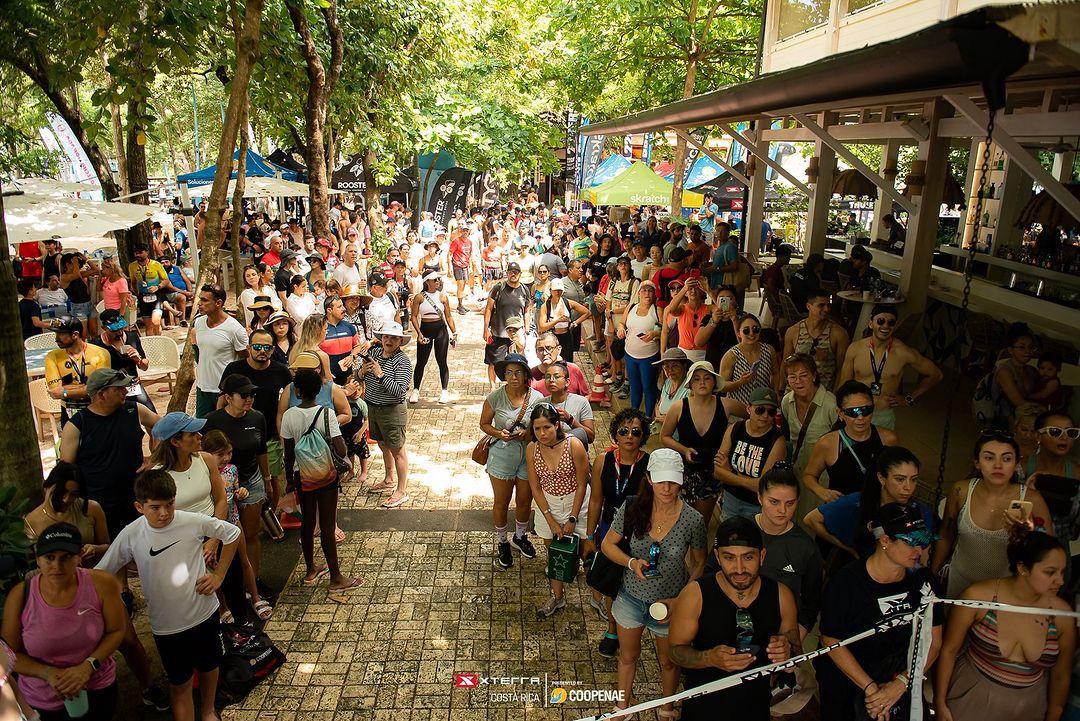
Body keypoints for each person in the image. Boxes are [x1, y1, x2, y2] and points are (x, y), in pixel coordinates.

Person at [96, 470, 240, 721]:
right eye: (155, 507)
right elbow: (101, 572)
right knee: (180, 682)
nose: (164, 513)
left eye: (169, 504)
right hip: (166, 627)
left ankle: (208, 710)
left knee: (209, 667)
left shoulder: (192, 520)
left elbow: (233, 534)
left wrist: (218, 576)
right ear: (139, 507)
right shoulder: (131, 533)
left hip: (204, 614)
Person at [601, 449, 707, 718]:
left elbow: (699, 563)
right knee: (627, 656)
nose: (667, 488)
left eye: (673, 481)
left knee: (668, 661)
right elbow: (608, 544)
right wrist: (631, 563)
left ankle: (667, 706)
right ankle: (622, 705)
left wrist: (681, 601)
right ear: (649, 479)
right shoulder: (632, 508)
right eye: (661, 480)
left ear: (681, 481)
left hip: (670, 603)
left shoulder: (693, 520)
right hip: (631, 597)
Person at [816, 502, 943, 721]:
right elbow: (831, 640)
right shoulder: (845, 584)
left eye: (924, 543)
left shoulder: (924, 582)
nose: (919, 551)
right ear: (885, 540)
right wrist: (873, 691)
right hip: (849, 683)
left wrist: (901, 684)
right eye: (912, 542)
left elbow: (933, 641)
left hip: (899, 680)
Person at [668, 516, 798, 721]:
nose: (739, 569)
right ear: (718, 557)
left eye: (748, 557)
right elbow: (675, 652)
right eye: (729, 558)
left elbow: (796, 649)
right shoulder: (695, 595)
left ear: (762, 556)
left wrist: (787, 650)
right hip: (703, 709)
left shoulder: (781, 596)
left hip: (756, 707)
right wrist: (708, 658)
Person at [935, 531, 1075, 721]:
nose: (1060, 581)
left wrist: (1053, 715)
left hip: (1030, 707)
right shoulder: (978, 597)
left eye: (1062, 572)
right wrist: (940, 701)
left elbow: (1061, 676)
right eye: (1050, 572)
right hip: (971, 698)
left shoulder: (1062, 616)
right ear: (1023, 568)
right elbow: (949, 650)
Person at [2, 524, 125, 721]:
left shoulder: (102, 584)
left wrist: (87, 667)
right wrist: (48, 674)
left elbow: (116, 630)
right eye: (49, 558)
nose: (57, 566)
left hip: (97, 688)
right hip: (43, 699)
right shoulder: (20, 596)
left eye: (66, 557)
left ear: (79, 556)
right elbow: (8, 655)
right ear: (37, 559)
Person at [934, 430, 1053, 599]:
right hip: (959, 583)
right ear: (977, 462)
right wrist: (932, 577)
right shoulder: (961, 491)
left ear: (1016, 463)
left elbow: (1048, 552)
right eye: (989, 458)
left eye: (1007, 459)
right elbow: (946, 536)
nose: (998, 465)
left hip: (1005, 591)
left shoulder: (1032, 499)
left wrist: (1026, 534)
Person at [281, 368, 362, 592]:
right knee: (327, 525)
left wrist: (289, 480)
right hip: (326, 476)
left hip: (301, 476)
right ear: (319, 390)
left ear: (297, 391)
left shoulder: (289, 416)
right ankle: (336, 577)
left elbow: (288, 452)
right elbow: (341, 448)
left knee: (307, 523)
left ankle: (310, 569)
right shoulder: (327, 414)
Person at [585, 408, 651, 657]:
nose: (629, 436)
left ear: (643, 436)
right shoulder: (603, 461)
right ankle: (612, 630)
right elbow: (596, 501)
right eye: (623, 431)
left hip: (638, 531)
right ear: (615, 434)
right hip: (609, 528)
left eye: (636, 432)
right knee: (612, 580)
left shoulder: (649, 464)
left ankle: (634, 627)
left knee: (632, 579)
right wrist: (590, 536)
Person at [805, 446, 935, 562]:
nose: (908, 487)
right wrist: (848, 549)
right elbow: (811, 519)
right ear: (881, 478)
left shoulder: (921, 513)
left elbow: (923, 557)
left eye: (913, 480)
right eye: (900, 479)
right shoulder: (857, 502)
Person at [660, 360, 743, 532]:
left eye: (707, 378)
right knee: (681, 522)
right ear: (690, 384)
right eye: (697, 379)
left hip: (713, 472)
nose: (702, 383)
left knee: (700, 524)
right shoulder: (679, 407)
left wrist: (732, 446)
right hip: (686, 471)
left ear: (714, 382)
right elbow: (664, 436)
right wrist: (684, 450)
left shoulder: (726, 405)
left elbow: (753, 417)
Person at [525, 404, 591, 618]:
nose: (542, 433)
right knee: (555, 555)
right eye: (537, 429)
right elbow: (535, 487)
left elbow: (582, 484)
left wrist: (572, 517)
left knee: (587, 552)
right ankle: (557, 596)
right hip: (548, 503)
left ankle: (597, 597)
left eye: (547, 427)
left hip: (576, 502)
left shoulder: (574, 445)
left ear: (557, 425)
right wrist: (551, 520)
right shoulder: (532, 449)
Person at [480, 353, 545, 569]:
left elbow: (542, 426)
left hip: (528, 456)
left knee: (525, 500)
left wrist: (529, 433)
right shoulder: (495, 397)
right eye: (509, 372)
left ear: (526, 375)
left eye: (518, 372)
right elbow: (484, 424)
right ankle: (502, 541)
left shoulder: (537, 398)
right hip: (502, 456)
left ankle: (520, 536)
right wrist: (499, 433)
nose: (514, 377)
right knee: (501, 501)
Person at [204, 374, 271, 578]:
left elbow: (262, 450)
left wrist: (267, 479)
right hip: (221, 485)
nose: (249, 399)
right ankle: (230, 579)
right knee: (225, 535)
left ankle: (253, 579)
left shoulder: (257, 417)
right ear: (228, 398)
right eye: (243, 395)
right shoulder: (212, 420)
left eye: (252, 394)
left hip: (251, 481)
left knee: (251, 534)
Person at [801, 380, 899, 503]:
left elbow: (897, 473)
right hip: (842, 508)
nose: (860, 417)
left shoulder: (888, 439)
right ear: (840, 413)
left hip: (877, 506)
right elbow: (809, 475)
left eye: (866, 410)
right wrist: (822, 491)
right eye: (853, 412)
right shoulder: (827, 443)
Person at [359, 321, 413, 508]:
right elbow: (359, 377)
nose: (389, 341)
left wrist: (380, 375)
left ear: (400, 341)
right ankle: (389, 479)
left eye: (394, 338)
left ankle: (401, 490)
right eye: (386, 337)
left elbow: (399, 391)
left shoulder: (403, 361)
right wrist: (361, 372)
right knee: (383, 444)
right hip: (373, 408)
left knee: (398, 450)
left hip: (392, 410)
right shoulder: (374, 353)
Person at [714, 387, 787, 520]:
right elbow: (717, 471)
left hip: (757, 505)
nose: (765, 415)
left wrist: (731, 472)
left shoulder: (777, 441)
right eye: (760, 410)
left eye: (771, 412)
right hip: (730, 500)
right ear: (748, 408)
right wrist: (749, 482)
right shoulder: (735, 428)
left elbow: (763, 485)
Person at [191, 284, 248, 418]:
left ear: (218, 303)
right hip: (202, 389)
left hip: (224, 391)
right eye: (200, 299)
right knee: (203, 428)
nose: (199, 303)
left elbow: (245, 360)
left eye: (204, 300)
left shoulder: (235, 329)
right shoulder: (199, 323)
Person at [44, 316, 112, 425]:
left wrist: (65, 392)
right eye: (56, 334)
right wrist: (87, 388)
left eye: (61, 334)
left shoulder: (101, 353)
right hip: (68, 413)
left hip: (97, 409)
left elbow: (100, 388)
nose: (56, 338)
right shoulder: (52, 357)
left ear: (75, 334)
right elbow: (55, 391)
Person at [1025, 411, 1078, 541]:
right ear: (1038, 436)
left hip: (1060, 549)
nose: (1064, 437)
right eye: (1055, 432)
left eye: (1070, 433)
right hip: (1024, 546)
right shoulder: (1021, 468)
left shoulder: (1077, 474)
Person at [782, 290, 849, 391]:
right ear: (809, 306)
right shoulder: (793, 331)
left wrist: (836, 394)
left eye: (828, 305)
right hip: (796, 390)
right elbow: (785, 364)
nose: (826, 309)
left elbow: (842, 369)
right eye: (821, 305)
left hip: (824, 392)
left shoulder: (838, 333)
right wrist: (780, 390)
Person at [409, 271, 457, 404]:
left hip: (441, 329)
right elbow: (414, 316)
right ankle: (416, 390)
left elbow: (448, 316)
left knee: (442, 361)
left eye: (438, 279)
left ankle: (444, 390)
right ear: (427, 282)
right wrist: (419, 333)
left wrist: (454, 332)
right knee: (421, 361)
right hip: (425, 329)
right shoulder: (419, 297)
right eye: (434, 280)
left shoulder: (443, 297)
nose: (437, 282)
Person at [91, 310, 152, 410]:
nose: (119, 333)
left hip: (132, 385)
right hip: (111, 388)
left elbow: (144, 367)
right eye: (114, 331)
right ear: (104, 328)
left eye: (121, 328)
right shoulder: (96, 344)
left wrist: (138, 359)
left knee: (150, 411)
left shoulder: (132, 337)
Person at [483, 262, 531, 388]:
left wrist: (526, 329)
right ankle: (492, 388)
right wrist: (486, 329)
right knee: (493, 361)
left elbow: (526, 311)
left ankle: (516, 386)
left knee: (518, 362)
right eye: (510, 272)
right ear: (507, 273)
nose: (513, 274)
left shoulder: (524, 290)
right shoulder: (498, 288)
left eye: (516, 272)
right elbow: (488, 309)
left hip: (517, 333)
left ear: (520, 274)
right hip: (498, 331)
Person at [616, 280, 662, 414]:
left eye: (650, 290)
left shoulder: (657, 310)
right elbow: (622, 323)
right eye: (644, 290)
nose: (647, 293)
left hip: (649, 356)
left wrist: (654, 333)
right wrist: (620, 329)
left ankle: (648, 416)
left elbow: (664, 329)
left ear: (654, 294)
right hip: (630, 354)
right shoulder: (631, 307)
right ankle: (634, 415)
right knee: (634, 386)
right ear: (639, 293)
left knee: (648, 387)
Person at [985, 323, 1041, 428]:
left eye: (1031, 347)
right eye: (1022, 347)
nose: (1028, 351)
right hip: (1002, 422)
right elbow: (1020, 403)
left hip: (1021, 419)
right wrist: (1042, 411)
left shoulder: (1031, 371)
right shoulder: (1004, 371)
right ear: (1010, 350)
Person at [719, 313, 780, 406]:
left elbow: (775, 373)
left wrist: (775, 392)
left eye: (755, 329)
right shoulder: (731, 355)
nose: (751, 333)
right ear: (739, 333)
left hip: (762, 406)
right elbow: (722, 386)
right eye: (746, 330)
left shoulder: (769, 350)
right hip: (739, 406)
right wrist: (740, 382)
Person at [542, 361, 594, 447]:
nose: (551, 380)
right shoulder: (541, 404)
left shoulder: (581, 402)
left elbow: (591, 437)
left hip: (575, 452)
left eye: (556, 377)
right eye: (547, 377)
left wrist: (570, 420)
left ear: (567, 382)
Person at [538, 278, 589, 363]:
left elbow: (587, 313)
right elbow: (542, 327)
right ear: (551, 291)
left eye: (560, 290)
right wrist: (557, 321)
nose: (558, 293)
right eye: (555, 290)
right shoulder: (546, 306)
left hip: (567, 337)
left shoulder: (568, 302)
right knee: (553, 362)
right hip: (553, 337)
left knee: (567, 362)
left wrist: (574, 323)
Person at [127, 244, 173, 337]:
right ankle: (151, 343)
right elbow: (133, 282)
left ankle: (158, 340)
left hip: (156, 296)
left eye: (140, 252)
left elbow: (166, 280)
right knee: (148, 325)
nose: (137, 255)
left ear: (147, 253)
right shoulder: (132, 266)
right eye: (136, 253)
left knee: (156, 322)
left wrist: (158, 287)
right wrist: (137, 294)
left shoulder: (156, 264)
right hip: (143, 297)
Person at [320, 295, 362, 385]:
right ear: (329, 310)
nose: (344, 309)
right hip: (326, 378)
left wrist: (352, 356)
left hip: (347, 377)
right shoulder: (320, 328)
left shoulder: (349, 326)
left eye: (343, 305)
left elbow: (357, 346)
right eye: (339, 307)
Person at [664, 276, 709, 361]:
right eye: (690, 289)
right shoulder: (682, 309)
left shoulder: (708, 308)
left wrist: (708, 290)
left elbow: (722, 309)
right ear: (685, 293)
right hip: (683, 352)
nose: (693, 291)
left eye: (696, 288)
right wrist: (685, 288)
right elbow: (671, 310)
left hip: (704, 353)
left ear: (701, 291)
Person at [653, 348, 691, 427]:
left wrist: (667, 420)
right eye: (666, 366)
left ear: (684, 366)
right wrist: (659, 416)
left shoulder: (690, 389)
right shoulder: (667, 382)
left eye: (675, 365)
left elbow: (689, 419)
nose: (670, 370)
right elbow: (658, 405)